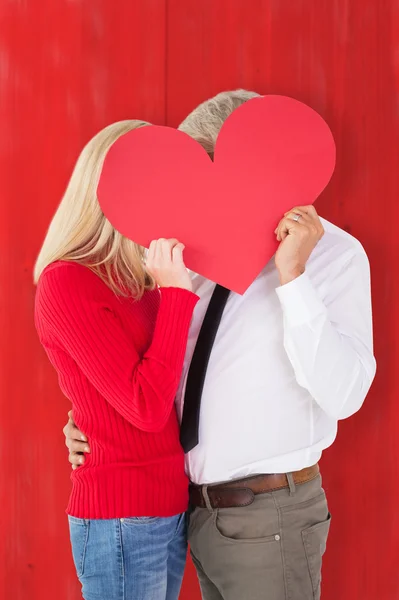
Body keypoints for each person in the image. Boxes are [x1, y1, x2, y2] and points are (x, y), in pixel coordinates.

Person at [63, 91, 376, 600]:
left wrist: (293, 277)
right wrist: (91, 420)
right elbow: (157, 366)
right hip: (189, 514)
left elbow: (345, 395)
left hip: (268, 514)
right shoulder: (183, 258)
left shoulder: (333, 257)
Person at [34, 120, 200, 600]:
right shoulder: (68, 282)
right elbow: (146, 405)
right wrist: (174, 295)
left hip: (167, 505)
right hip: (121, 518)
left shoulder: (143, 278)